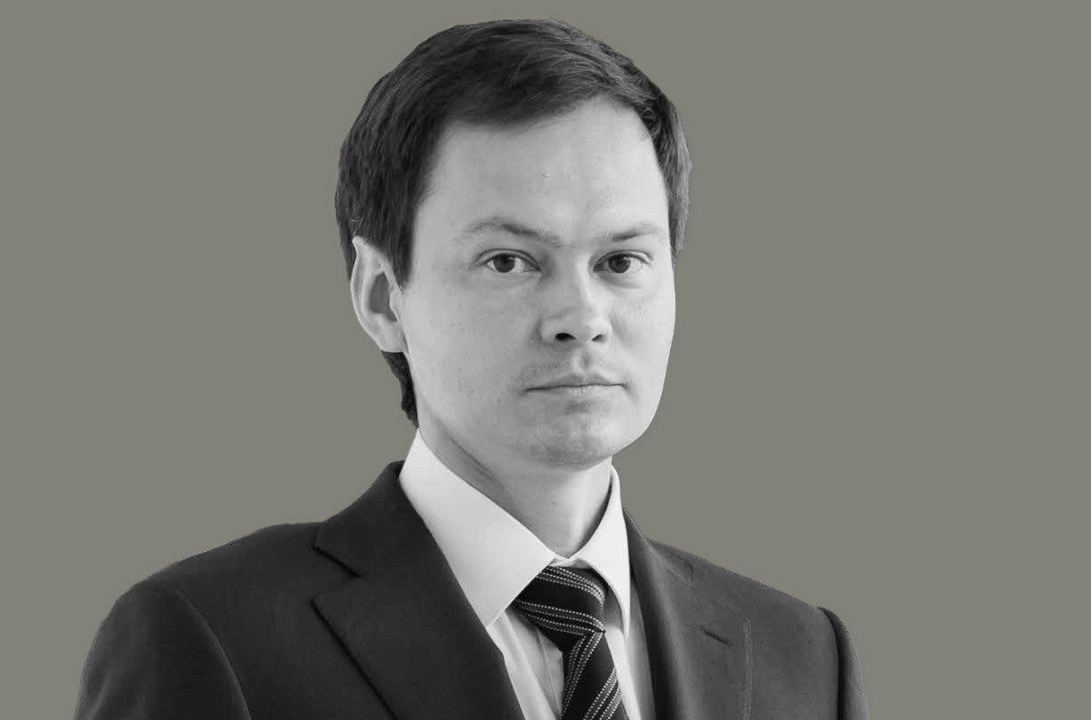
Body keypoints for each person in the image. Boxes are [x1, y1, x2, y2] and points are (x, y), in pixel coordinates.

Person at [74, 18, 868, 720]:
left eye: (621, 261)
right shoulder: (212, 636)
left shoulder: (801, 654)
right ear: (382, 295)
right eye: (508, 261)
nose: (581, 317)